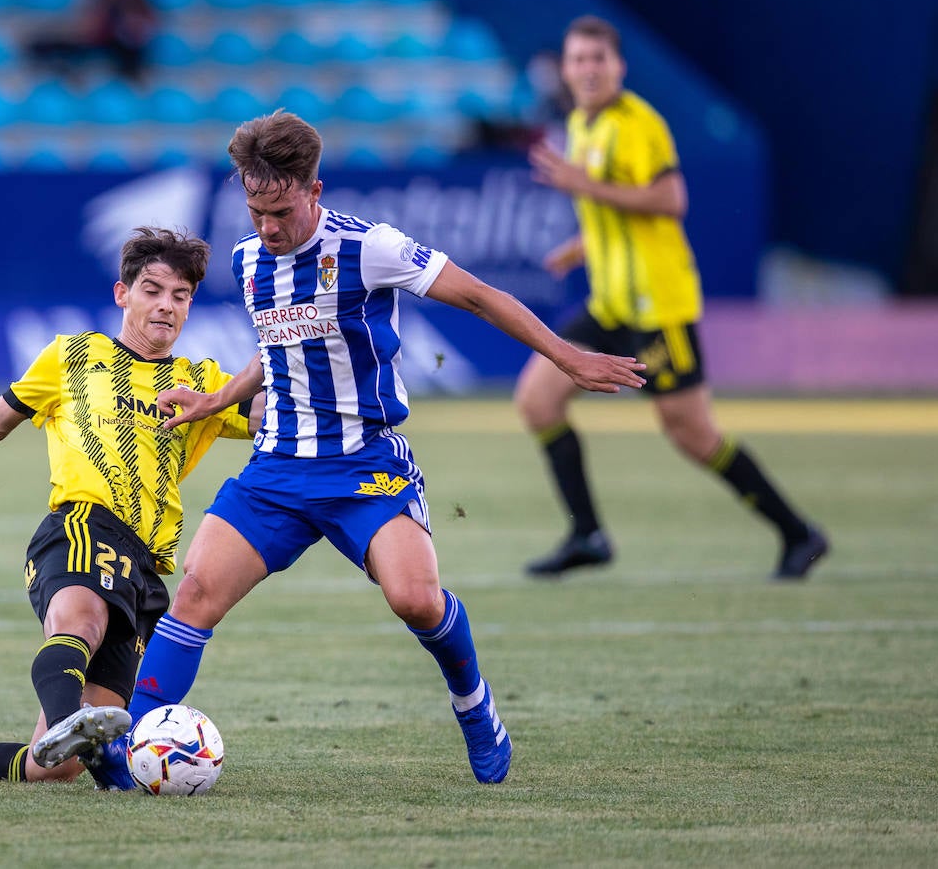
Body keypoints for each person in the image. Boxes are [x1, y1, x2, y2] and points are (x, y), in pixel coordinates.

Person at [67, 109, 647, 788]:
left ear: (313, 191)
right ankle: (130, 751)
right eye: (256, 210)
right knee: (195, 592)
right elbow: (276, 347)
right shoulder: (249, 259)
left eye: (281, 210)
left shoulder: (371, 248)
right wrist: (217, 401)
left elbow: (483, 297)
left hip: (364, 466)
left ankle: (475, 705)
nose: (268, 227)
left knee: (416, 601)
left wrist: (567, 357)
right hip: (278, 470)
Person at [0, 227, 260, 788]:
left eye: (179, 295)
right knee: (78, 623)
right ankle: (75, 727)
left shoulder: (202, 383)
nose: (165, 304)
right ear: (122, 294)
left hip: (146, 567)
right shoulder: (74, 357)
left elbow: (264, 418)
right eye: (152, 289)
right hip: (83, 526)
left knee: (54, 766)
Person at [518, 15, 829, 582]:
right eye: (578, 59)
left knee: (691, 433)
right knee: (538, 400)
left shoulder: (638, 124)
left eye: (598, 59)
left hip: (657, 307)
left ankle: (798, 532)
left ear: (618, 66)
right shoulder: (584, 124)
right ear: (565, 69)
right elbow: (620, 206)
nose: (588, 69)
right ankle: (588, 535)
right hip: (612, 302)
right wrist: (582, 245)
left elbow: (669, 199)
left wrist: (581, 187)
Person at [25, 0, 158, 82]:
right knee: (44, 44)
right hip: (95, 41)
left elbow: (141, 27)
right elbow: (89, 24)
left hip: (119, 47)